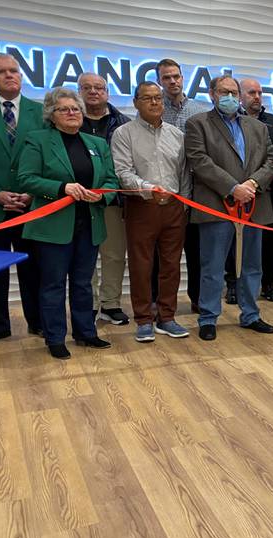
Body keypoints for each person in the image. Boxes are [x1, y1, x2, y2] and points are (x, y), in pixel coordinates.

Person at [16, 87, 119, 359]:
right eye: (64, 109)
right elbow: (26, 179)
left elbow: (111, 180)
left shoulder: (96, 144)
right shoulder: (37, 140)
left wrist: (102, 194)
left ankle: (86, 333)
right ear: (52, 115)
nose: (72, 113)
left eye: (76, 109)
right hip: (53, 227)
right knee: (53, 284)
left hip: (90, 224)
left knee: (84, 283)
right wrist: (62, 187)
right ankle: (55, 338)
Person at [184, 75, 273, 341]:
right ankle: (208, 317)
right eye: (224, 92)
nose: (230, 97)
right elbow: (199, 161)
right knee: (212, 265)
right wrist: (233, 187)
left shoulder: (257, 127)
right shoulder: (197, 124)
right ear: (212, 94)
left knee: (252, 265)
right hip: (216, 206)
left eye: (234, 93)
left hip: (253, 205)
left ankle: (251, 315)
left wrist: (251, 184)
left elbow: (270, 162)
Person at [111, 81, 191, 343]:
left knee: (171, 265)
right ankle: (144, 319)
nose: (155, 102)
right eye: (147, 98)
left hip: (174, 208)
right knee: (141, 265)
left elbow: (183, 174)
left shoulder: (176, 134)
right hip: (141, 207)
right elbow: (123, 172)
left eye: (158, 98)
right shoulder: (124, 133)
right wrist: (148, 188)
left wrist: (184, 203)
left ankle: (167, 317)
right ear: (136, 103)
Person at [0, 53, 44, 347]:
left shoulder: (41, 112)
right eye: (1, 72)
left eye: (14, 71)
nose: (9, 76)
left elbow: (49, 158)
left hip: (31, 205)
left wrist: (30, 192)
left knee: (34, 267)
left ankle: (38, 322)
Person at [222, 77, 273, 305]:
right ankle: (232, 284)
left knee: (269, 240)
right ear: (240, 96)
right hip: (237, 192)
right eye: (251, 93)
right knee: (234, 240)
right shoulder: (230, 121)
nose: (257, 97)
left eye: (260, 93)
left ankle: (269, 284)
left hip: (267, 191)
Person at [78, 72, 132, 326]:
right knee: (83, 254)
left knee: (113, 254)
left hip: (112, 201)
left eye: (98, 87)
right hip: (76, 201)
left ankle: (110, 303)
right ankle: (87, 304)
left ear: (107, 92)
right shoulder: (69, 121)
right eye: (87, 87)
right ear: (80, 92)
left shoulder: (123, 123)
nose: (93, 92)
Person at [158, 58, 208, 313]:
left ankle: (198, 299)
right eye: (166, 77)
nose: (172, 81)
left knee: (197, 250)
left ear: (182, 77)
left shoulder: (200, 110)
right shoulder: (155, 110)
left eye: (176, 76)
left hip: (197, 192)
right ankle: (161, 303)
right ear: (160, 81)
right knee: (163, 254)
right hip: (165, 191)